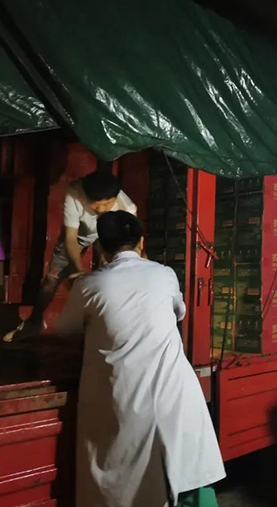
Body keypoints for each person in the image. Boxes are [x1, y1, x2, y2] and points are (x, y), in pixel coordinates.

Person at [52, 211, 225, 506]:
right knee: (184, 482)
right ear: (141, 242)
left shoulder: (89, 285)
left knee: (130, 492)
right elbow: (178, 312)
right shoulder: (165, 274)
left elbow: (63, 330)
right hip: (175, 397)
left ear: (100, 247)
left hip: (126, 401)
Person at [4, 170, 137, 342]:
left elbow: (131, 244)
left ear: (116, 197)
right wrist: (76, 269)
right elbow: (70, 238)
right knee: (51, 279)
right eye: (96, 205)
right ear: (85, 197)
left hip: (107, 236)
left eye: (107, 204)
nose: (102, 209)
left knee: (110, 275)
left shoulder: (127, 208)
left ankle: (105, 326)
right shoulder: (74, 193)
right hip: (79, 236)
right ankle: (34, 321)